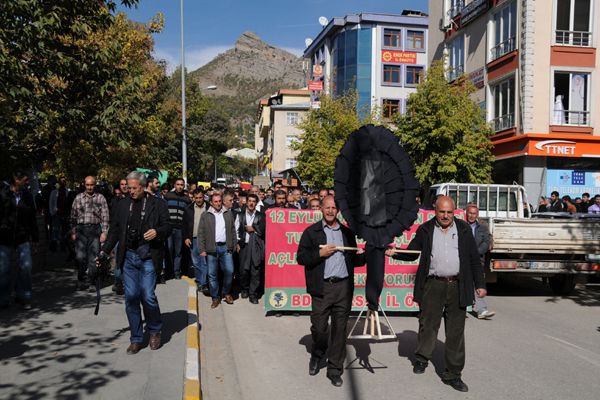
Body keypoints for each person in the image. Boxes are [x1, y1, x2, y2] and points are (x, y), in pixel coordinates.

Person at [386, 196, 486, 393]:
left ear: (454, 211)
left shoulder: (464, 229)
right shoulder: (426, 229)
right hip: (433, 285)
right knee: (428, 325)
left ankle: (453, 374)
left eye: (449, 212)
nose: (446, 216)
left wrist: (480, 284)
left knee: (456, 332)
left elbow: (474, 258)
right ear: (435, 211)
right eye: (442, 212)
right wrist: (395, 253)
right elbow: (413, 252)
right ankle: (422, 358)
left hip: (458, 285)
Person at [296, 196, 365, 387]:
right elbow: (301, 258)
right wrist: (319, 254)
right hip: (322, 287)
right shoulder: (312, 232)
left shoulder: (347, 233)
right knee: (319, 328)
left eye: (334, 207)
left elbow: (354, 260)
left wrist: (371, 253)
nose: (330, 211)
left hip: (343, 287)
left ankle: (335, 368)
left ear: (338, 210)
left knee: (340, 329)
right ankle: (317, 355)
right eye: (327, 207)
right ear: (321, 209)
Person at [100, 171, 171, 354]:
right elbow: (115, 230)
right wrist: (104, 251)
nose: (130, 191)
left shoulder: (158, 204)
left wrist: (157, 232)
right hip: (129, 257)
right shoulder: (123, 205)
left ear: (143, 186)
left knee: (147, 295)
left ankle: (155, 330)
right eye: (128, 188)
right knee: (131, 297)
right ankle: (137, 338)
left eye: (134, 188)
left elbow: (168, 227)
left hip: (148, 256)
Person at [0, 171, 39, 310]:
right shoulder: (3, 194)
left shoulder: (27, 196)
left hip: (23, 237)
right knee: (3, 269)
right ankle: (3, 298)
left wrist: (35, 239)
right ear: (16, 180)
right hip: (5, 237)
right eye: (24, 179)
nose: (27, 181)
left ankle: (23, 296)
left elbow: (32, 218)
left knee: (26, 266)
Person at [198, 192, 237, 308]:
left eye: (220, 201)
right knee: (212, 274)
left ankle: (226, 292)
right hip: (211, 249)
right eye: (215, 201)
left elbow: (232, 230)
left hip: (225, 247)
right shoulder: (205, 215)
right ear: (211, 202)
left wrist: (234, 245)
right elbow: (201, 233)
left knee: (230, 271)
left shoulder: (228, 214)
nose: (218, 203)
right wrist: (202, 249)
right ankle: (215, 297)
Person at [70, 176, 110, 290]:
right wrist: (73, 231)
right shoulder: (78, 198)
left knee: (94, 257)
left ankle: (92, 281)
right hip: (81, 230)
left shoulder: (100, 198)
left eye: (91, 185)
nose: (89, 187)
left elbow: (105, 216)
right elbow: (73, 216)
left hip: (95, 230)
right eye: (87, 185)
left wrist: (104, 232)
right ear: (84, 185)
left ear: (95, 185)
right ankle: (81, 279)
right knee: (80, 257)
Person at [466, 204, 495, 319]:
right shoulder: (461, 225)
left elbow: (486, 242)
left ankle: (482, 310)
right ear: (466, 213)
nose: (471, 216)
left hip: (477, 260)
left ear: (477, 215)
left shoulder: (483, 227)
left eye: (474, 213)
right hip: (464, 259)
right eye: (470, 213)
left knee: (478, 283)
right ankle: (462, 308)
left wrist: (476, 252)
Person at [235, 194, 265, 304]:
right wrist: (237, 243)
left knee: (255, 270)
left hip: (256, 247)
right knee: (244, 270)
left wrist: (254, 229)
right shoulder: (240, 215)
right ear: (246, 202)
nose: (251, 203)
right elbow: (236, 230)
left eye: (254, 201)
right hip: (244, 246)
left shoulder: (261, 216)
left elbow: (263, 231)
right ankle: (245, 289)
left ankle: (253, 294)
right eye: (250, 201)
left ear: (256, 203)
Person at [164, 178, 191, 279]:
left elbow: (188, 216)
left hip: (180, 228)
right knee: (169, 249)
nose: (180, 186)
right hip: (169, 228)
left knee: (178, 251)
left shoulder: (187, 199)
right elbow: (163, 212)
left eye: (181, 185)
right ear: (174, 185)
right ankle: (168, 271)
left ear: (184, 186)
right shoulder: (168, 196)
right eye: (178, 184)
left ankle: (176, 272)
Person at [184, 189, 208, 294]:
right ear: (193, 198)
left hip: (205, 239)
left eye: (200, 197)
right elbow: (184, 224)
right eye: (196, 198)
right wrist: (186, 237)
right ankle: (199, 280)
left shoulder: (209, 208)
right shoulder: (188, 209)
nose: (198, 200)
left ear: (204, 197)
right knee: (196, 262)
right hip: (193, 239)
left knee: (204, 262)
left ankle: (203, 283)